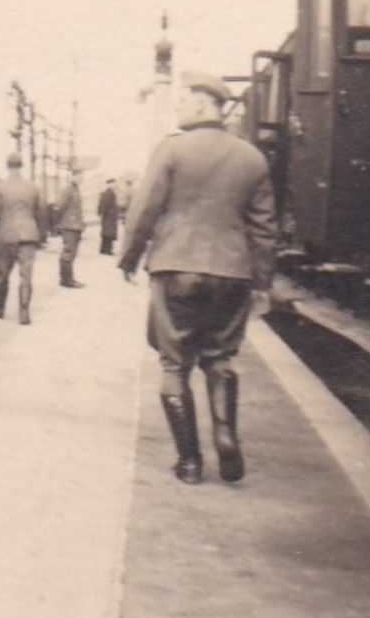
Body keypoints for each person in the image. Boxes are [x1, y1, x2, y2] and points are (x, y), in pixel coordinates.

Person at [118, 71, 278, 485]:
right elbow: (264, 228)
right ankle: (225, 435)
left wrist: (129, 257)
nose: (179, 107)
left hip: (177, 267)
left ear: (205, 103)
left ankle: (190, 461)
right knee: (220, 358)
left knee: (174, 363)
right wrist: (261, 282)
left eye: (185, 100)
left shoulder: (171, 150)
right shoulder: (251, 158)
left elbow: (144, 210)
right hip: (232, 272)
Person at [0, 152, 46, 325]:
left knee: (3, 273)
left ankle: (0, 309)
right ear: (22, 165)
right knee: (26, 276)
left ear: (7, 166)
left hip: (7, 234)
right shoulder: (33, 187)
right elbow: (40, 212)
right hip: (28, 234)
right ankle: (24, 313)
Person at [56, 170, 86, 288]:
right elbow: (59, 207)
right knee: (68, 253)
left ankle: (67, 278)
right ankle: (67, 280)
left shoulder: (75, 190)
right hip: (69, 226)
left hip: (75, 226)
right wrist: (60, 223)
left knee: (71, 253)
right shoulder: (67, 190)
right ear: (72, 176)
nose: (81, 179)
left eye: (81, 177)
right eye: (79, 176)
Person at [98, 178, 120, 256]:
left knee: (106, 233)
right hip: (109, 216)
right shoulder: (109, 193)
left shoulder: (106, 192)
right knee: (109, 233)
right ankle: (107, 250)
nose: (115, 185)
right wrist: (105, 213)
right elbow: (106, 205)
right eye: (113, 183)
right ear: (110, 184)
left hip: (107, 216)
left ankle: (103, 249)